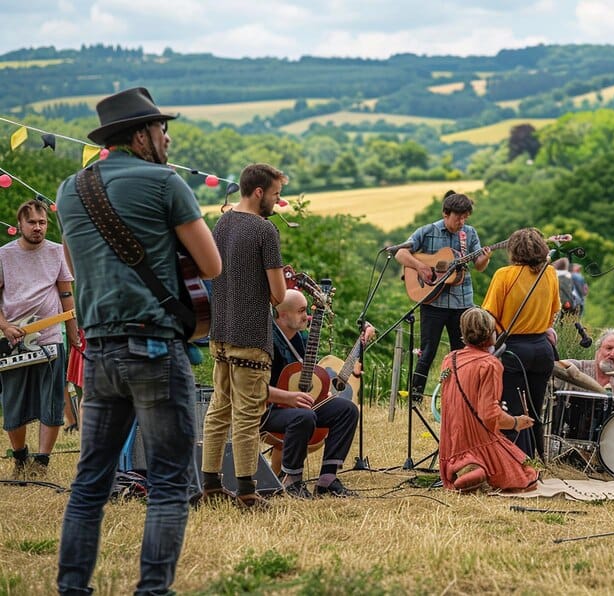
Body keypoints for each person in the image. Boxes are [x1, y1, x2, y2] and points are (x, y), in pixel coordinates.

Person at [55, 87, 222, 595]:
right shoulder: (164, 183)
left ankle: (72, 589)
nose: (168, 138)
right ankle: (153, 590)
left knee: (90, 482)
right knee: (170, 482)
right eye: (162, 129)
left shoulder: (69, 189)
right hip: (154, 347)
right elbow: (212, 265)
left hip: (98, 350)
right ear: (143, 135)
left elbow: (81, 261)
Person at [201, 163, 287, 509]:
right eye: (277, 194)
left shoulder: (222, 224)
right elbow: (279, 294)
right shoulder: (264, 231)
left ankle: (209, 486)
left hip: (220, 332)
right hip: (251, 335)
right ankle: (248, 493)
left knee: (218, 410)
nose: (278, 202)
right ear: (259, 192)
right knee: (248, 417)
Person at [260, 289, 375, 498]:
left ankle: (327, 479)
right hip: (268, 410)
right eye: (301, 311)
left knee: (347, 409)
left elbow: (304, 378)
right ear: (283, 314)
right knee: (304, 416)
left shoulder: (300, 339)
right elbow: (253, 388)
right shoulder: (265, 342)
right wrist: (289, 398)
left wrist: (321, 394)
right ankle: (291, 479)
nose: (307, 316)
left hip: (297, 407)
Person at [0, 199, 80, 477]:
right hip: (13, 339)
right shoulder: (4, 255)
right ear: (20, 224)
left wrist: (73, 335)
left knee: (52, 400)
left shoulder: (57, 252)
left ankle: (42, 462)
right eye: (32, 222)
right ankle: (20, 456)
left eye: (42, 222)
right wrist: (5, 326)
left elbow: (66, 295)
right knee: (14, 400)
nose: (38, 227)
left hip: (49, 336)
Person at [394, 192, 490, 400]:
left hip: (462, 303)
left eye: (465, 217)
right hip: (433, 302)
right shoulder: (428, 231)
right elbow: (400, 253)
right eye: (458, 217)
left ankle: (460, 397)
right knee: (427, 352)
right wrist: (420, 267)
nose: (462, 222)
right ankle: (415, 398)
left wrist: (486, 258)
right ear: (446, 214)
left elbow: (479, 266)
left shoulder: (469, 234)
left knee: (462, 352)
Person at [438, 307, 539, 492]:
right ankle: (476, 465)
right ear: (490, 335)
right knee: (529, 475)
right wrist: (516, 422)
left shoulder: (449, 359)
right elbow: (489, 414)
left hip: (451, 445)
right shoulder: (490, 364)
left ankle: (464, 466)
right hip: (478, 439)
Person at [482, 227, 560, 458]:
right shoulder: (550, 273)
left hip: (513, 349)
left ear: (514, 250)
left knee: (515, 410)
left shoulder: (504, 275)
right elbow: (553, 314)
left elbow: (489, 315)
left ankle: (518, 459)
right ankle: (538, 457)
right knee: (535, 409)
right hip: (542, 350)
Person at [555, 328, 614, 408]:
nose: (612, 354)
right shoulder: (578, 367)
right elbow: (554, 365)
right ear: (598, 350)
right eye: (609, 348)